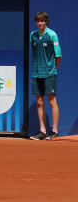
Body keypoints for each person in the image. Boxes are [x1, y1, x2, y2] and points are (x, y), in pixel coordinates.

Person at [30, 11, 62, 140]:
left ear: (46, 21)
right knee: (39, 102)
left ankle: (54, 131)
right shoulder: (33, 35)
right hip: (37, 73)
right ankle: (42, 131)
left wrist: (53, 69)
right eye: (38, 20)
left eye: (42, 20)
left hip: (49, 73)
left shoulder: (52, 35)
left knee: (51, 101)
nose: (40, 23)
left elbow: (58, 56)